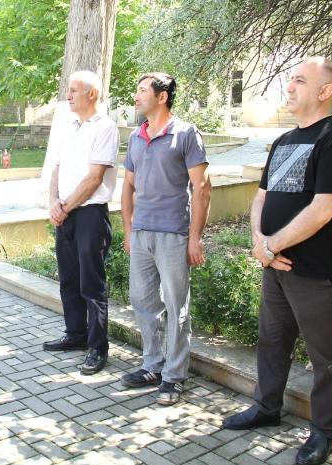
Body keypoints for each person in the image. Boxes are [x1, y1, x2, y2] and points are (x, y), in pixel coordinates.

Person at [221, 57, 332, 465]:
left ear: (325, 91)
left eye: (300, 80)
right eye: (290, 80)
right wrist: (259, 243)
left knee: (325, 357)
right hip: (275, 267)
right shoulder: (284, 141)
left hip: (315, 272)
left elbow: (323, 209)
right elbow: (261, 198)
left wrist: (270, 246)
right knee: (272, 342)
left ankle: (324, 432)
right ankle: (266, 407)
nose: (289, 87)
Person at [119, 72, 211, 406]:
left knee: (176, 306)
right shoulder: (136, 137)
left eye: (142, 90)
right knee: (143, 302)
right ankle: (152, 365)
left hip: (173, 233)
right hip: (141, 233)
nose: (136, 95)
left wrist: (194, 238)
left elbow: (202, 188)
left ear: (162, 97)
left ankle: (174, 375)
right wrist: (128, 231)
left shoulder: (186, 134)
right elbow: (128, 186)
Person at [42, 70, 119, 376]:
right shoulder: (68, 126)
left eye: (74, 90)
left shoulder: (105, 127)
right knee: (69, 278)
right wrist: (53, 202)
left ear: (92, 94)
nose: (68, 95)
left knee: (92, 283)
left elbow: (94, 178)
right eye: (68, 90)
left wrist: (65, 206)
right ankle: (75, 333)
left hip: (90, 214)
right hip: (65, 213)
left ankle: (98, 347)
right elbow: (57, 169)